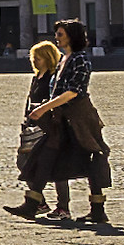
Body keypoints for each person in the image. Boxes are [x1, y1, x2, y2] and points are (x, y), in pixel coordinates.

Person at [17, 19, 111, 226]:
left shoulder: (80, 60)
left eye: (60, 34)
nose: (56, 38)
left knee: (91, 160)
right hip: (62, 118)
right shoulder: (64, 60)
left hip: (79, 118)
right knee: (46, 155)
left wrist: (44, 108)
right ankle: (33, 204)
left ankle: (97, 209)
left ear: (71, 36)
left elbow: (73, 92)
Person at [6, 41, 66, 220]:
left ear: (48, 58)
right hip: (33, 126)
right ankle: (40, 202)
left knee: (57, 167)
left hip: (49, 127)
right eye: (33, 58)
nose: (34, 61)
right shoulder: (37, 77)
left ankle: (62, 207)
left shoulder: (54, 78)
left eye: (38, 58)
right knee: (23, 162)